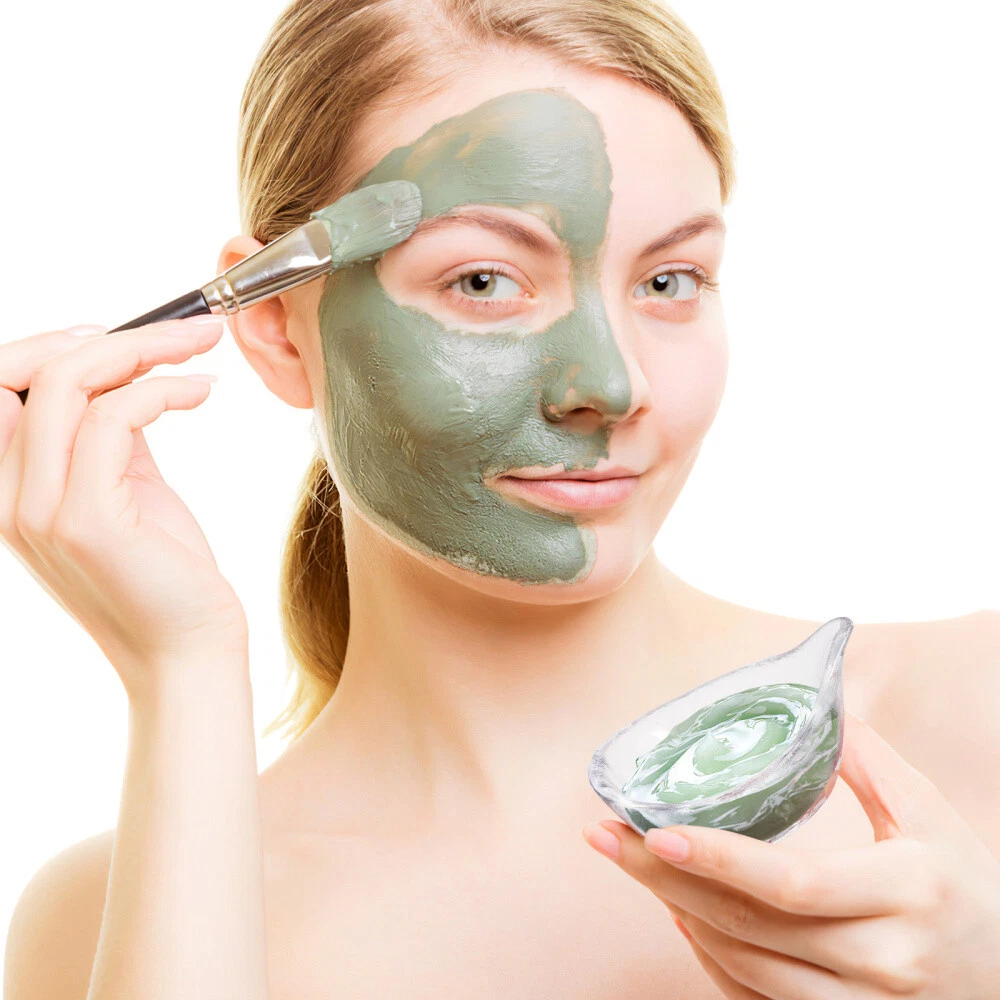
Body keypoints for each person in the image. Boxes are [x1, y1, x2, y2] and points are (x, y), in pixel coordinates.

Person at [3, 1, 999, 998]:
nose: (611, 385)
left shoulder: (969, 711)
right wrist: (182, 668)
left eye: (669, 280)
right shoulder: (114, 909)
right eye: (483, 281)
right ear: (275, 324)